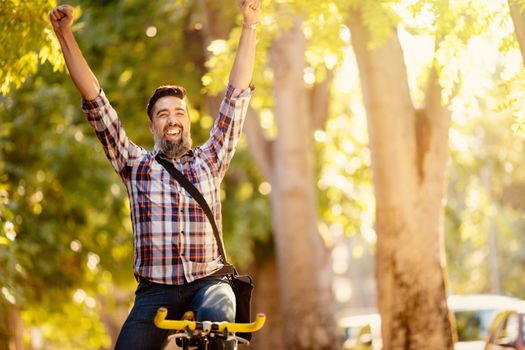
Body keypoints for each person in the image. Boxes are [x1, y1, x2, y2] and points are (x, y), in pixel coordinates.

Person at [49, 1, 260, 349]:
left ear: (188, 122)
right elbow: (96, 102)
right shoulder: (135, 165)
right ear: (152, 125)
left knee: (219, 321)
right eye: (163, 114)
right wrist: (65, 33)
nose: (173, 119)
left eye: (179, 112)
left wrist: (250, 25)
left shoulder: (211, 158)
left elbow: (236, 97)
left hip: (209, 281)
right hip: (154, 289)